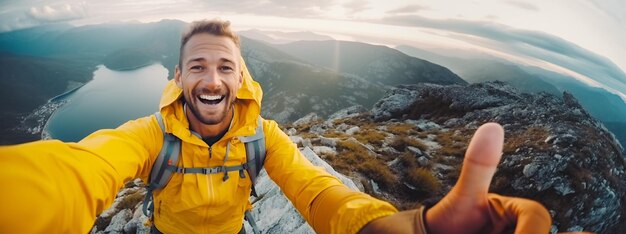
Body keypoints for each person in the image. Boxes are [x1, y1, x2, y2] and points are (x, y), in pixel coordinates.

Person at [0, 19, 552, 233]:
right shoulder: (149, 136)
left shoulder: (267, 137)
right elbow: (80, 169)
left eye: (225, 67)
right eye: (198, 65)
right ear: (178, 78)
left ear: (240, 79)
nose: (212, 78)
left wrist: (398, 228)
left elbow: (317, 190)